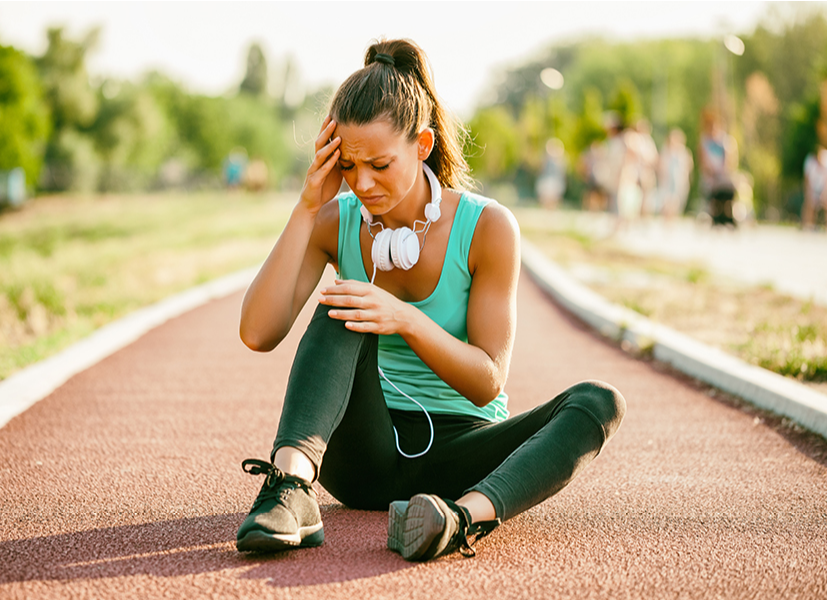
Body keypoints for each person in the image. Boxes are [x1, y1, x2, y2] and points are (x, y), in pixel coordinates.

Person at [235, 39, 625, 562]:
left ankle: (458, 520)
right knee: (342, 304)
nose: (363, 183)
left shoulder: (486, 227)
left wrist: (404, 320)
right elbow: (258, 333)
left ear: (422, 145)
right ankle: (290, 488)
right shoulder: (336, 220)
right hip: (362, 458)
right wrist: (309, 206)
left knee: (599, 402)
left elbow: (487, 382)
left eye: (379, 164)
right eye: (349, 166)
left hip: (461, 458)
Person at [698, 109, 739, 227]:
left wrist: (724, 170)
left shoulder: (725, 141)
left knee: (729, 188)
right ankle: (715, 216)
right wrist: (712, 171)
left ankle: (728, 215)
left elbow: (730, 160)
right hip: (711, 176)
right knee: (713, 189)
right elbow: (703, 161)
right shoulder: (704, 141)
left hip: (723, 175)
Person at [657, 129, 694, 222]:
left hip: (679, 181)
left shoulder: (684, 152)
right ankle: (667, 220)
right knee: (667, 201)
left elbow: (689, 166)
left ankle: (672, 220)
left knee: (676, 201)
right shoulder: (666, 151)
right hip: (667, 180)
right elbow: (661, 165)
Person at [802, 143, 827, 230]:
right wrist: (809, 193)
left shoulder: (825, 162)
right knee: (809, 204)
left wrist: (824, 193)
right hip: (812, 189)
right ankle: (808, 225)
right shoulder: (810, 163)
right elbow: (807, 181)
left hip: (823, 189)